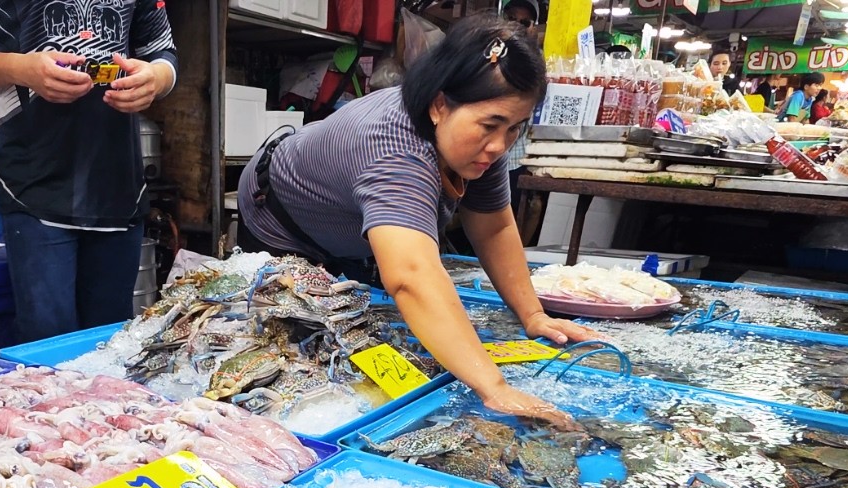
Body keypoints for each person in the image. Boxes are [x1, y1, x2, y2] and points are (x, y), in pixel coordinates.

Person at [236, 16, 598, 429]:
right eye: (491, 125)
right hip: (281, 221)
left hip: (347, 232)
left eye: (515, 128)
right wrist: (494, 388)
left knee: (356, 329)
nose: (499, 145)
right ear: (440, 105)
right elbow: (411, 276)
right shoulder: (395, 147)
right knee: (291, 352)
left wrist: (533, 315)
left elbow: (494, 226)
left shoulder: (479, 145)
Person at [0, 0, 178, 344]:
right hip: (33, 186)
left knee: (110, 352)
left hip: (117, 185)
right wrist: (19, 68)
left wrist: (157, 78)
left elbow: (162, 51)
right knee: (49, 355)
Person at [501, 0, 540, 210]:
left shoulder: (537, 66)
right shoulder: (484, 55)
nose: (516, 25)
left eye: (525, 22)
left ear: (534, 28)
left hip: (515, 160)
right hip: (480, 156)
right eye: (511, 18)